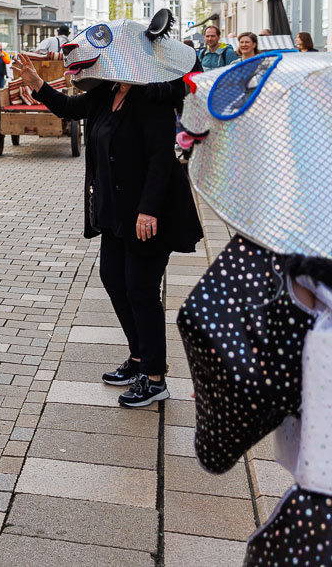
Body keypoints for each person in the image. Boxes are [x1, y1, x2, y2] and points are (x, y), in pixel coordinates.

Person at [13, 49, 202, 408]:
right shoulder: (107, 91)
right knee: (113, 279)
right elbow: (69, 109)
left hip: (149, 215)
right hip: (115, 211)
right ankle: (139, 358)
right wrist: (36, 83)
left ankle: (155, 378)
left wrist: (148, 210)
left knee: (141, 290)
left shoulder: (153, 98)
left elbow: (161, 159)